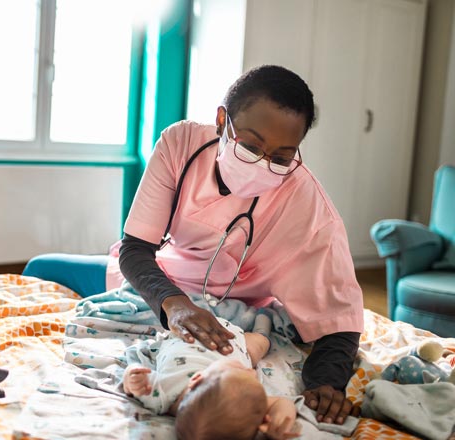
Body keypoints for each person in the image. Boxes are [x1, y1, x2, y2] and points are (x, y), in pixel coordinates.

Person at [24, 65, 364, 425]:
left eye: (280, 157)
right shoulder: (180, 144)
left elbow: (338, 316)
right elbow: (135, 249)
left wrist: (327, 383)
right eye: (250, 146)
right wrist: (176, 305)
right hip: (159, 282)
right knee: (39, 268)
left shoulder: (308, 207)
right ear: (222, 120)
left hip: (235, 305)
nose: (263, 165)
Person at [123, 317, 300, 440]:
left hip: (192, 329)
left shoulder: (161, 393)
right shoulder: (245, 403)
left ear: (197, 378)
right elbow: (282, 403)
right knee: (257, 346)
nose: (252, 372)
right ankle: (263, 328)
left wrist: (132, 379)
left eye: (239, 370)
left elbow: (133, 381)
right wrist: (279, 422)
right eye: (251, 375)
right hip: (236, 345)